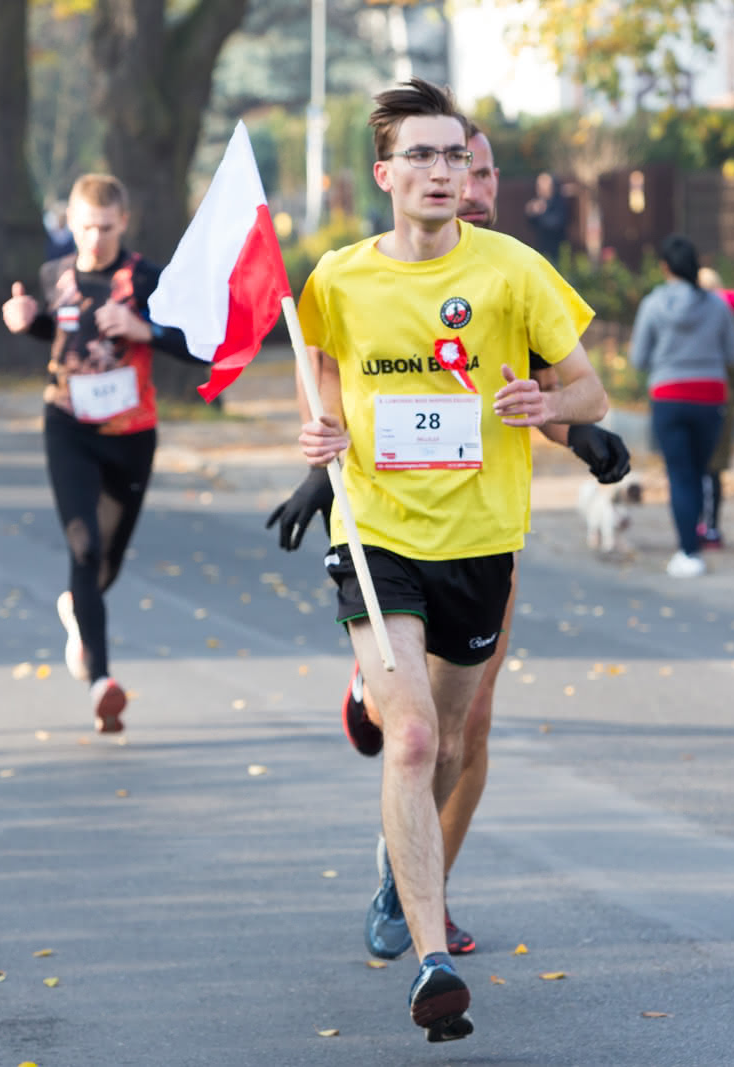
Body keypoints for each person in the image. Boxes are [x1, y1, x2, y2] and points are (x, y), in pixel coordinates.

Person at [265, 120, 630, 961]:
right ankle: (421, 910)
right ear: (391, 173)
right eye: (441, 160)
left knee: (465, 727)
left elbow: (539, 386)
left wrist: (579, 431)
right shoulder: (353, 274)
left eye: (477, 168)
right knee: (415, 729)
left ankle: (417, 870)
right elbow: (337, 365)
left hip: (481, 526)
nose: (469, 184)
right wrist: (321, 460)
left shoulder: (511, 270)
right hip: (382, 525)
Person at [1, 174, 201, 735]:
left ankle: (77, 608)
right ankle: (101, 681)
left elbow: (198, 345)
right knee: (84, 546)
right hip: (68, 424)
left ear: (124, 223)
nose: (95, 239)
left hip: (132, 432)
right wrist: (27, 321)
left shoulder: (148, 279)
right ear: (70, 221)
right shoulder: (54, 274)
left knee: (107, 557)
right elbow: (58, 329)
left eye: (106, 228)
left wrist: (142, 328)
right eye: (86, 227)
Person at [630, 235, 734, 578]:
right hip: (710, 396)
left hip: (668, 396)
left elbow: (638, 358)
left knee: (680, 476)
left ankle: (688, 552)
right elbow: (733, 354)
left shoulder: (652, 305)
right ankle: (704, 534)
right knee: (700, 470)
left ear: (665, 267)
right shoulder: (718, 306)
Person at [696, 267, 734, 550]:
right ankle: (709, 527)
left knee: (704, 468)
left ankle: (703, 526)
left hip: (706, 395)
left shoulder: (718, 318)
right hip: (721, 396)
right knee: (712, 468)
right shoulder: (731, 318)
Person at [523, 172, 569, 266]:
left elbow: (556, 223)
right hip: (542, 247)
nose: (541, 188)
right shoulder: (540, 201)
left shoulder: (558, 201)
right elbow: (531, 223)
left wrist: (541, 213)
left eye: (544, 185)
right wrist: (531, 213)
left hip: (556, 247)